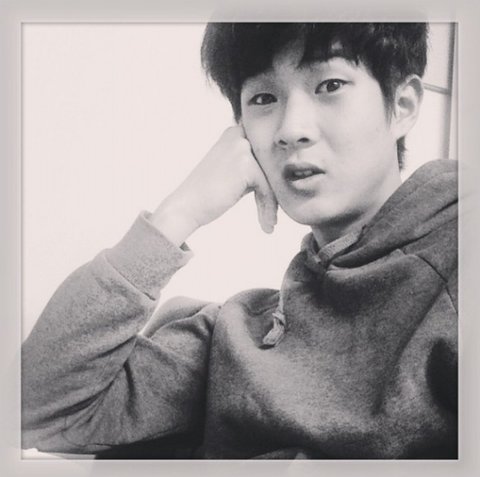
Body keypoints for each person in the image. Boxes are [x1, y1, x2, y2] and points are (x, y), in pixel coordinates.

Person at [21, 23, 458, 459]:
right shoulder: (237, 333)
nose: (291, 129)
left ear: (402, 105)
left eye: (330, 85)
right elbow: (34, 411)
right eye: (263, 98)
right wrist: (180, 213)